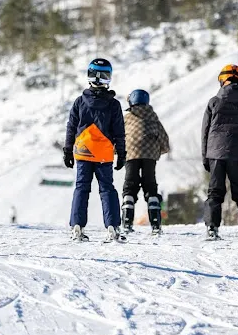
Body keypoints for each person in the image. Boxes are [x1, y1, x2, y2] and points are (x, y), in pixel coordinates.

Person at [63, 58, 126, 242]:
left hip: (83, 152)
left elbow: (71, 127)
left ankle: (77, 226)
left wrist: (68, 150)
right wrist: (121, 153)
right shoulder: (113, 105)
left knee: (81, 188)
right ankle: (113, 227)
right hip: (103, 154)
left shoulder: (79, 102)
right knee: (107, 189)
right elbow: (119, 131)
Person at [202, 64, 238, 241]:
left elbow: (205, 131)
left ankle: (212, 229)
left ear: (222, 80)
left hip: (215, 155)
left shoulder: (214, 102)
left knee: (215, 192)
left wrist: (205, 157)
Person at [121, 89, 170, 234]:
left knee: (130, 186)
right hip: (150, 157)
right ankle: (155, 223)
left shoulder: (127, 118)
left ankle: (127, 222)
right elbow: (165, 143)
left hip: (131, 155)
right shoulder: (153, 118)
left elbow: (119, 137)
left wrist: (118, 152)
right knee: (150, 187)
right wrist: (156, 151)